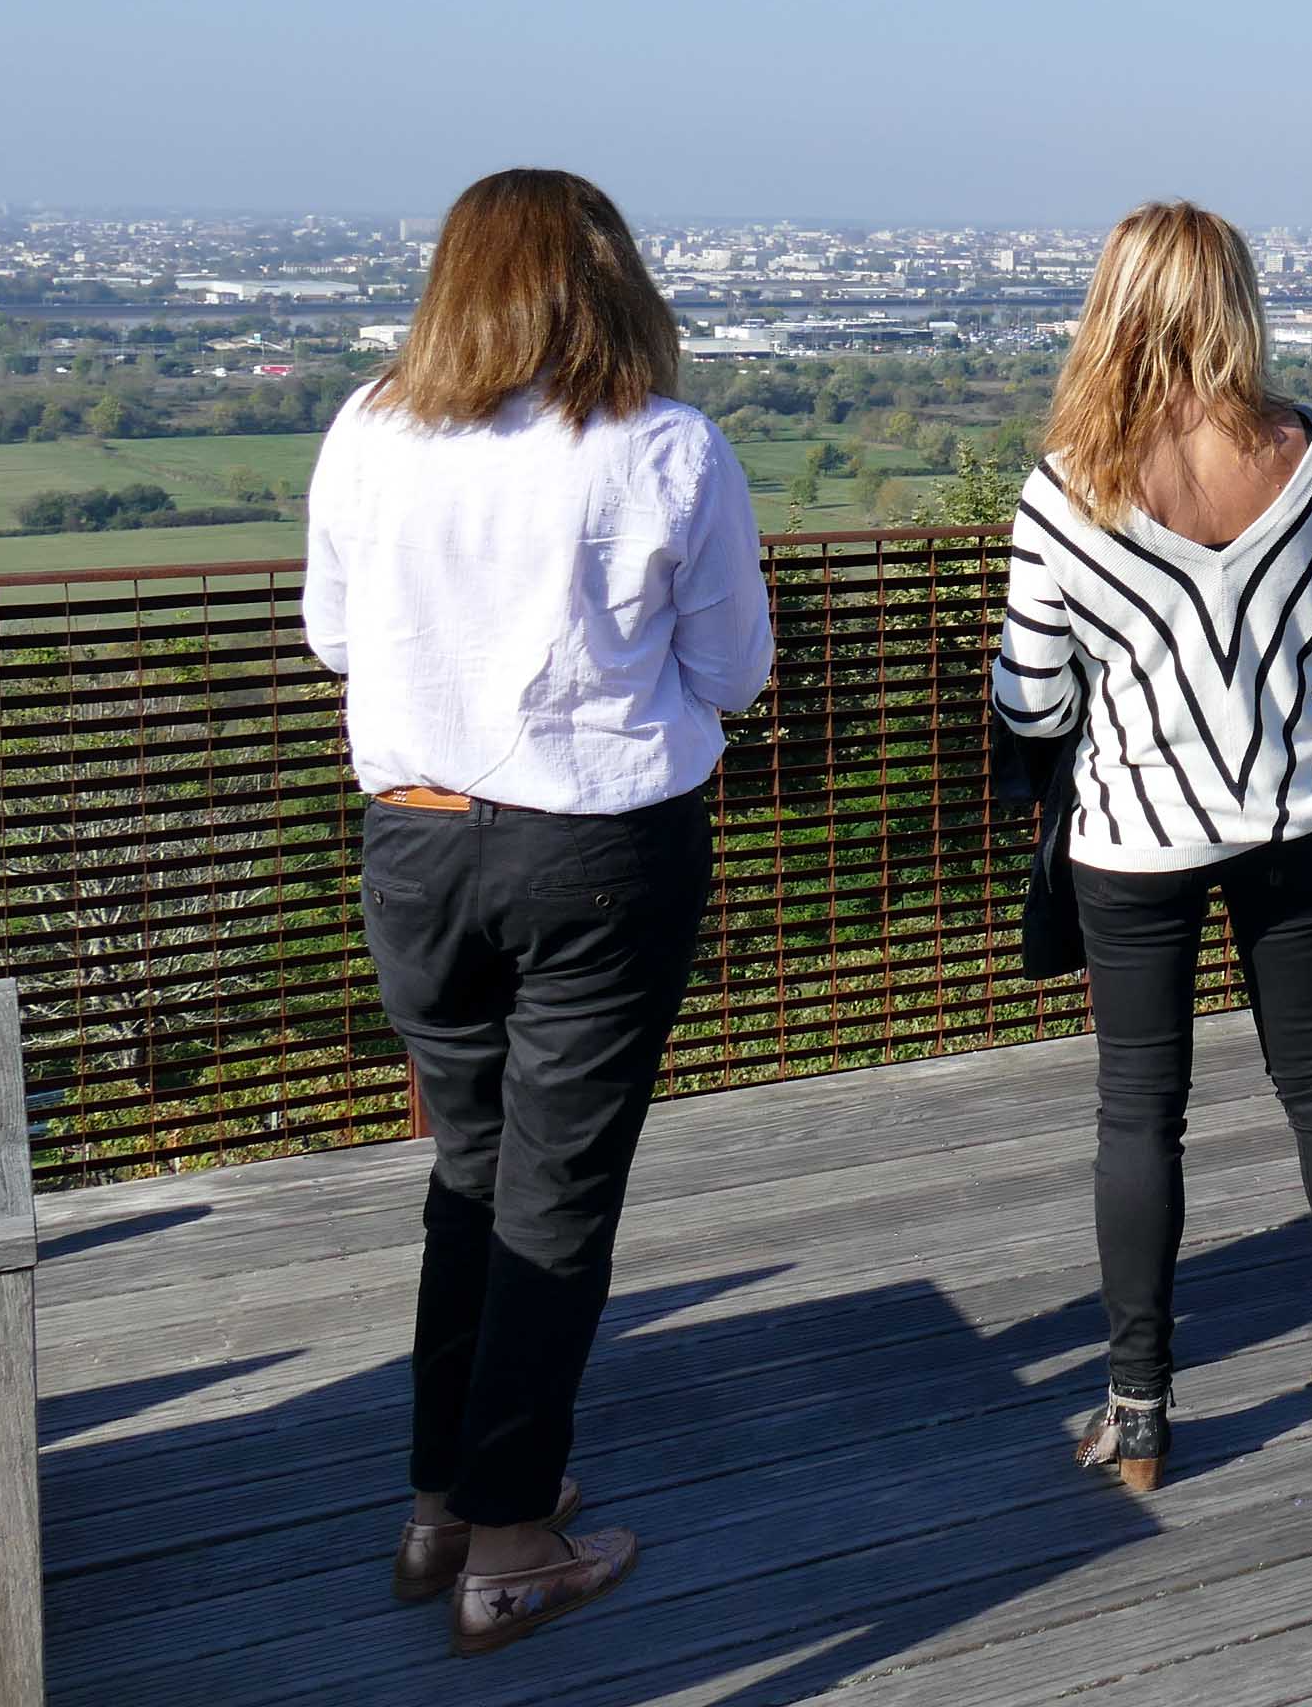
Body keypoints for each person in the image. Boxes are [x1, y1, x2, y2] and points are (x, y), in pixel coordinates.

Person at [303, 168, 773, 1657]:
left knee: (473, 1175)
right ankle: (511, 1543)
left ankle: (444, 1496)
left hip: (418, 847)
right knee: (555, 1197)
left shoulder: (370, 430)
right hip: (601, 851)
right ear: (612, 279)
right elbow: (735, 673)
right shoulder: (664, 448)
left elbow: (332, 634)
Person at [991, 201, 1312, 1494]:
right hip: (1291, 812)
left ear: (1113, 304)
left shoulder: (1068, 486)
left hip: (1135, 836)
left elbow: (1032, 698)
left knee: (1140, 1115)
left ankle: (1141, 1412)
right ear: (1238, 304)